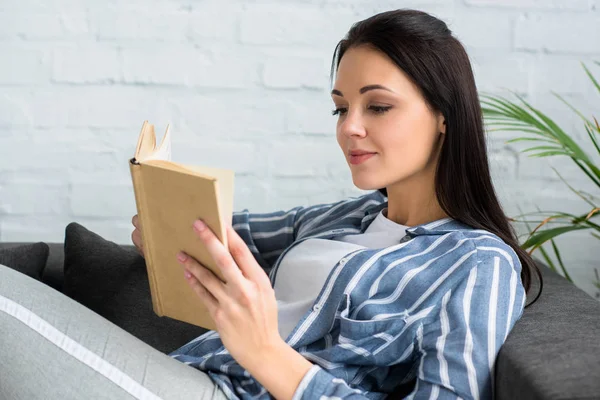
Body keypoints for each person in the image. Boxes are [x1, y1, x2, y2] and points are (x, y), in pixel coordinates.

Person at [0, 8, 539, 400]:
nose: (350, 128)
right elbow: (217, 229)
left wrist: (267, 355)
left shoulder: (477, 264)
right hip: (186, 374)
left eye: (377, 106)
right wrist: (165, 226)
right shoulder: (344, 219)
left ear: (444, 114)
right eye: (340, 108)